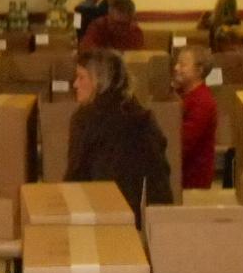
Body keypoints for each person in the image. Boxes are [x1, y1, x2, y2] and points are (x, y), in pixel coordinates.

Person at [65, 48, 172, 227]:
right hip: (150, 219)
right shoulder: (141, 114)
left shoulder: (87, 119)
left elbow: (77, 176)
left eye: (81, 77)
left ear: (99, 81)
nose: (75, 84)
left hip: (106, 217)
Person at [171, 45, 218, 189]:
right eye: (177, 63)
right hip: (181, 176)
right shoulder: (181, 94)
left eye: (183, 64)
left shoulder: (202, 102)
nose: (176, 68)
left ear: (199, 70)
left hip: (192, 182)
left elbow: (183, 143)